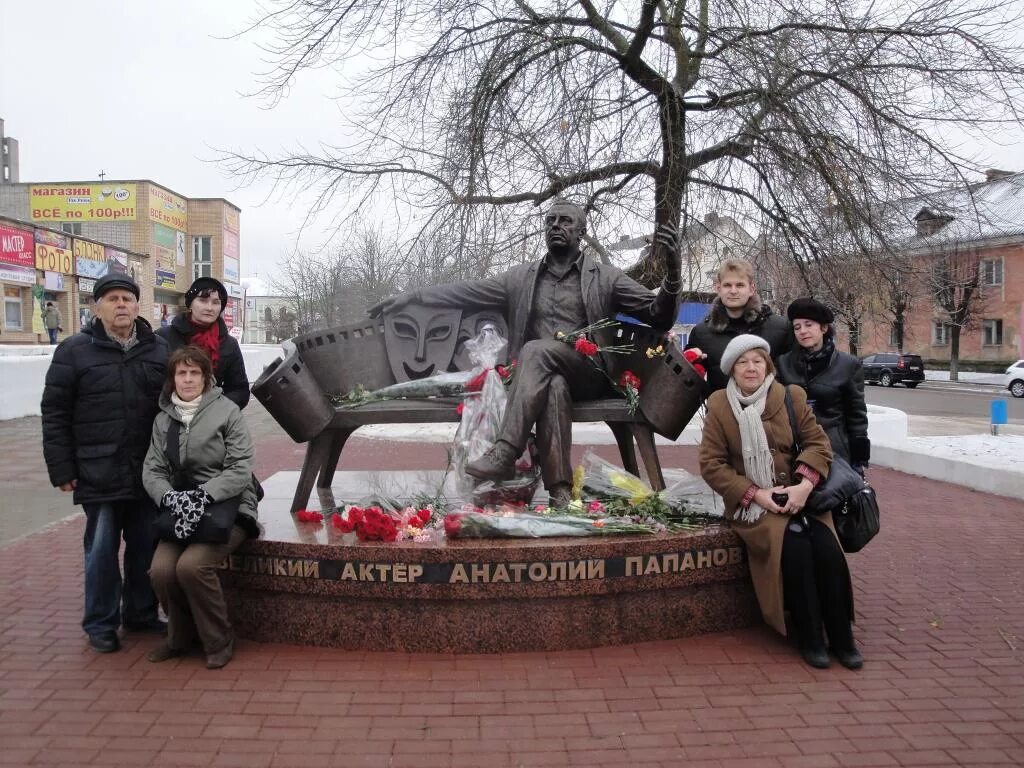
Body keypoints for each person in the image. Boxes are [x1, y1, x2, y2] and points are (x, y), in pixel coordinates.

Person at [369, 200, 681, 507]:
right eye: (550, 221)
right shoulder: (520, 278)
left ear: (582, 232)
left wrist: (673, 275)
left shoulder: (605, 277)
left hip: (589, 374)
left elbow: (659, 315)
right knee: (553, 384)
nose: (555, 226)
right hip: (539, 380)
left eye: (565, 221)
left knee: (534, 350)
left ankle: (505, 451)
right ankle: (560, 491)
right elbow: (465, 292)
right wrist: (413, 297)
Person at [698, 334, 862, 670]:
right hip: (753, 504)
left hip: (802, 495)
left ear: (768, 366)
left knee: (827, 549)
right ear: (732, 370)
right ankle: (810, 636)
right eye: (743, 362)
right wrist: (758, 494)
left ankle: (842, 636)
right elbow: (712, 464)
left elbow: (818, 444)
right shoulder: (719, 404)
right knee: (795, 547)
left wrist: (804, 487)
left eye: (757, 361)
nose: (751, 368)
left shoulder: (790, 396)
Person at [41, 273, 169, 654]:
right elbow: (55, 413)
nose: (121, 305)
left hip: (146, 471)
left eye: (127, 299)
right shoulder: (74, 352)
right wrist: (62, 468)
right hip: (98, 470)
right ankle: (100, 622)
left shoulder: (158, 350)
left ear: (137, 306)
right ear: (96, 308)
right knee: (101, 551)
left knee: (145, 546)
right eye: (112, 299)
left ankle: (141, 612)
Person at [142, 346, 260, 670]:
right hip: (181, 510)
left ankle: (218, 640)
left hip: (228, 507)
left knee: (192, 567)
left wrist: (203, 495)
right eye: (181, 373)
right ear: (172, 379)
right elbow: (152, 470)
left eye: (195, 373)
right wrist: (170, 498)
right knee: (162, 571)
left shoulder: (227, 412)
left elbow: (240, 468)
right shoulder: (163, 419)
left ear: (206, 378)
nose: (188, 379)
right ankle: (179, 638)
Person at [777, 298, 870, 473]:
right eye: (797, 327)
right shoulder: (783, 363)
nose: (803, 331)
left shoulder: (848, 365)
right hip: (795, 449)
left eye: (809, 325)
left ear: (824, 328)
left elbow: (856, 413)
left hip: (835, 450)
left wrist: (859, 456)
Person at [685, 258, 792, 393]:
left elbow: (794, 378)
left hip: (771, 406)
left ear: (751, 289)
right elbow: (687, 385)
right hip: (722, 406)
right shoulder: (701, 334)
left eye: (740, 285)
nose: (733, 291)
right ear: (718, 288)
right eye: (727, 285)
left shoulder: (781, 328)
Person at [157, 277, 250, 409]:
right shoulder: (163, 337)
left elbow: (240, 390)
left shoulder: (229, 344)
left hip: (213, 417)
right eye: (203, 300)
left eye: (216, 302)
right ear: (190, 304)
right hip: (169, 414)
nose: (209, 308)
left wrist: (214, 410)